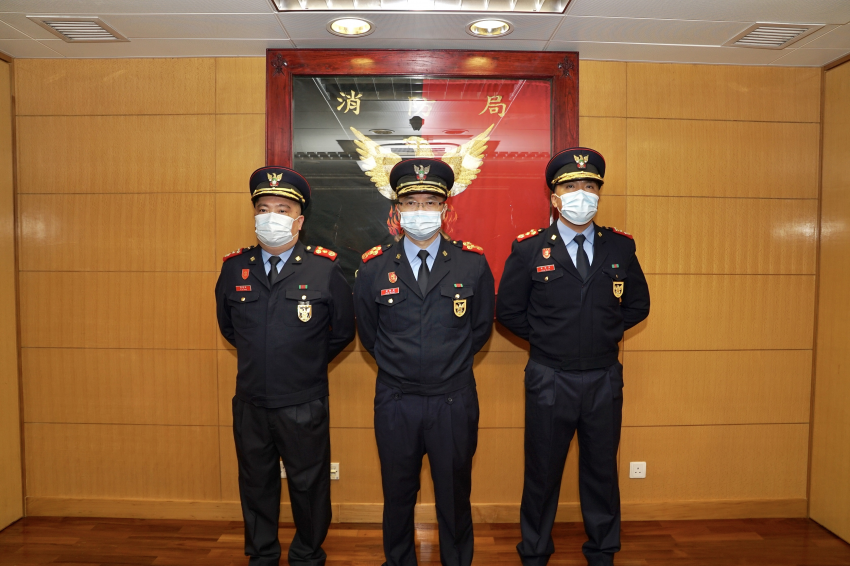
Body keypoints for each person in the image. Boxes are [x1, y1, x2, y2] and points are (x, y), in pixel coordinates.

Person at [496, 148, 650, 566]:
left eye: (589, 186)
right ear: (554, 197)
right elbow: (508, 311)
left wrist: (604, 333)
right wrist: (549, 340)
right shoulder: (529, 249)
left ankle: (602, 552)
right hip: (550, 377)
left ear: (599, 193)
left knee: (602, 471)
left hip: (603, 378)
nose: (581, 193)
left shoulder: (620, 247)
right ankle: (534, 552)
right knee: (542, 472)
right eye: (570, 186)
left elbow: (638, 305)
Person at [353, 159, 495, 566]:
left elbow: (479, 330)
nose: (421, 211)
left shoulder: (472, 263)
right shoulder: (374, 265)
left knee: (454, 494)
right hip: (396, 401)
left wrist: (446, 364)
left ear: (445, 208)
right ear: (397, 209)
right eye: (411, 202)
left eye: (430, 202)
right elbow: (370, 335)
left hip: (453, 400)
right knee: (398, 495)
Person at [215, 166, 356, 566]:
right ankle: (262, 555)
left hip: (303, 401)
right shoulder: (234, 268)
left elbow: (342, 331)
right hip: (251, 402)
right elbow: (229, 328)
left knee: (309, 485)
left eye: (282, 209)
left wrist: (303, 362)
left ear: (299, 220)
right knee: (255, 483)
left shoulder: (324, 269)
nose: (271, 217)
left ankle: (307, 554)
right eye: (263, 209)